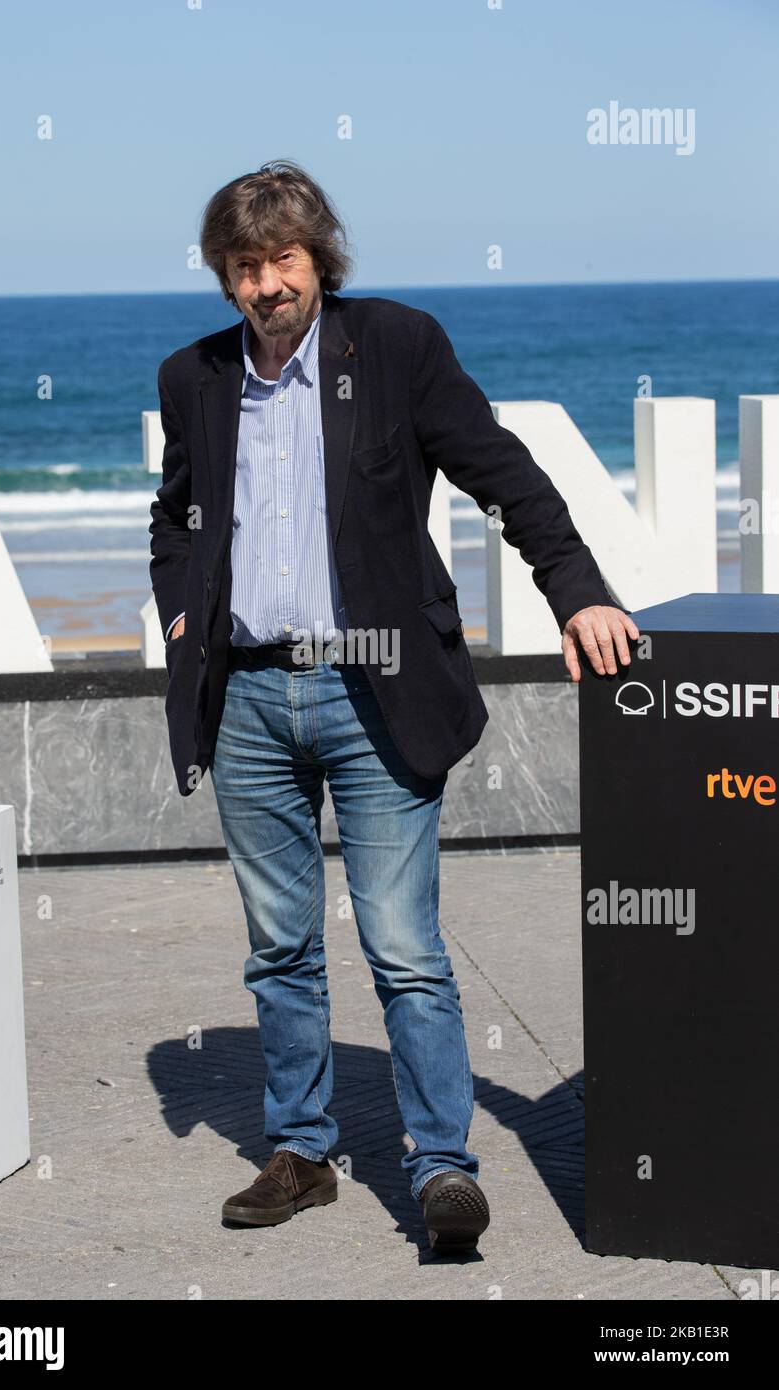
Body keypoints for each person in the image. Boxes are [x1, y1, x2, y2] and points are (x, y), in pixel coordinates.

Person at [148, 159, 639, 1255]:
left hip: (375, 684)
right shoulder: (193, 376)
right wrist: (182, 614)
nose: (266, 283)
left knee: (403, 943)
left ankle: (440, 1167)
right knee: (278, 945)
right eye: (243, 265)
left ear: (318, 256)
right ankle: (300, 1151)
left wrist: (578, 592)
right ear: (222, 278)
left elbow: (501, 472)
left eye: (282, 259)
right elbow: (174, 515)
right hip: (247, 696)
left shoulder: (399, 346)